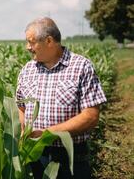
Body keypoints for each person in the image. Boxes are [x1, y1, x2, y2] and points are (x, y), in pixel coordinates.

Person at [16, 17, 107, 179]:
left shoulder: (81, 66)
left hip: (70, 156)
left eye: (31, 42)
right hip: (35, 156)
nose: (27, 47)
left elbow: (90, 116)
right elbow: (20, 107)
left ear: (49, 41)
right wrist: (24, 131)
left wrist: (46, 134)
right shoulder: (27, 70)